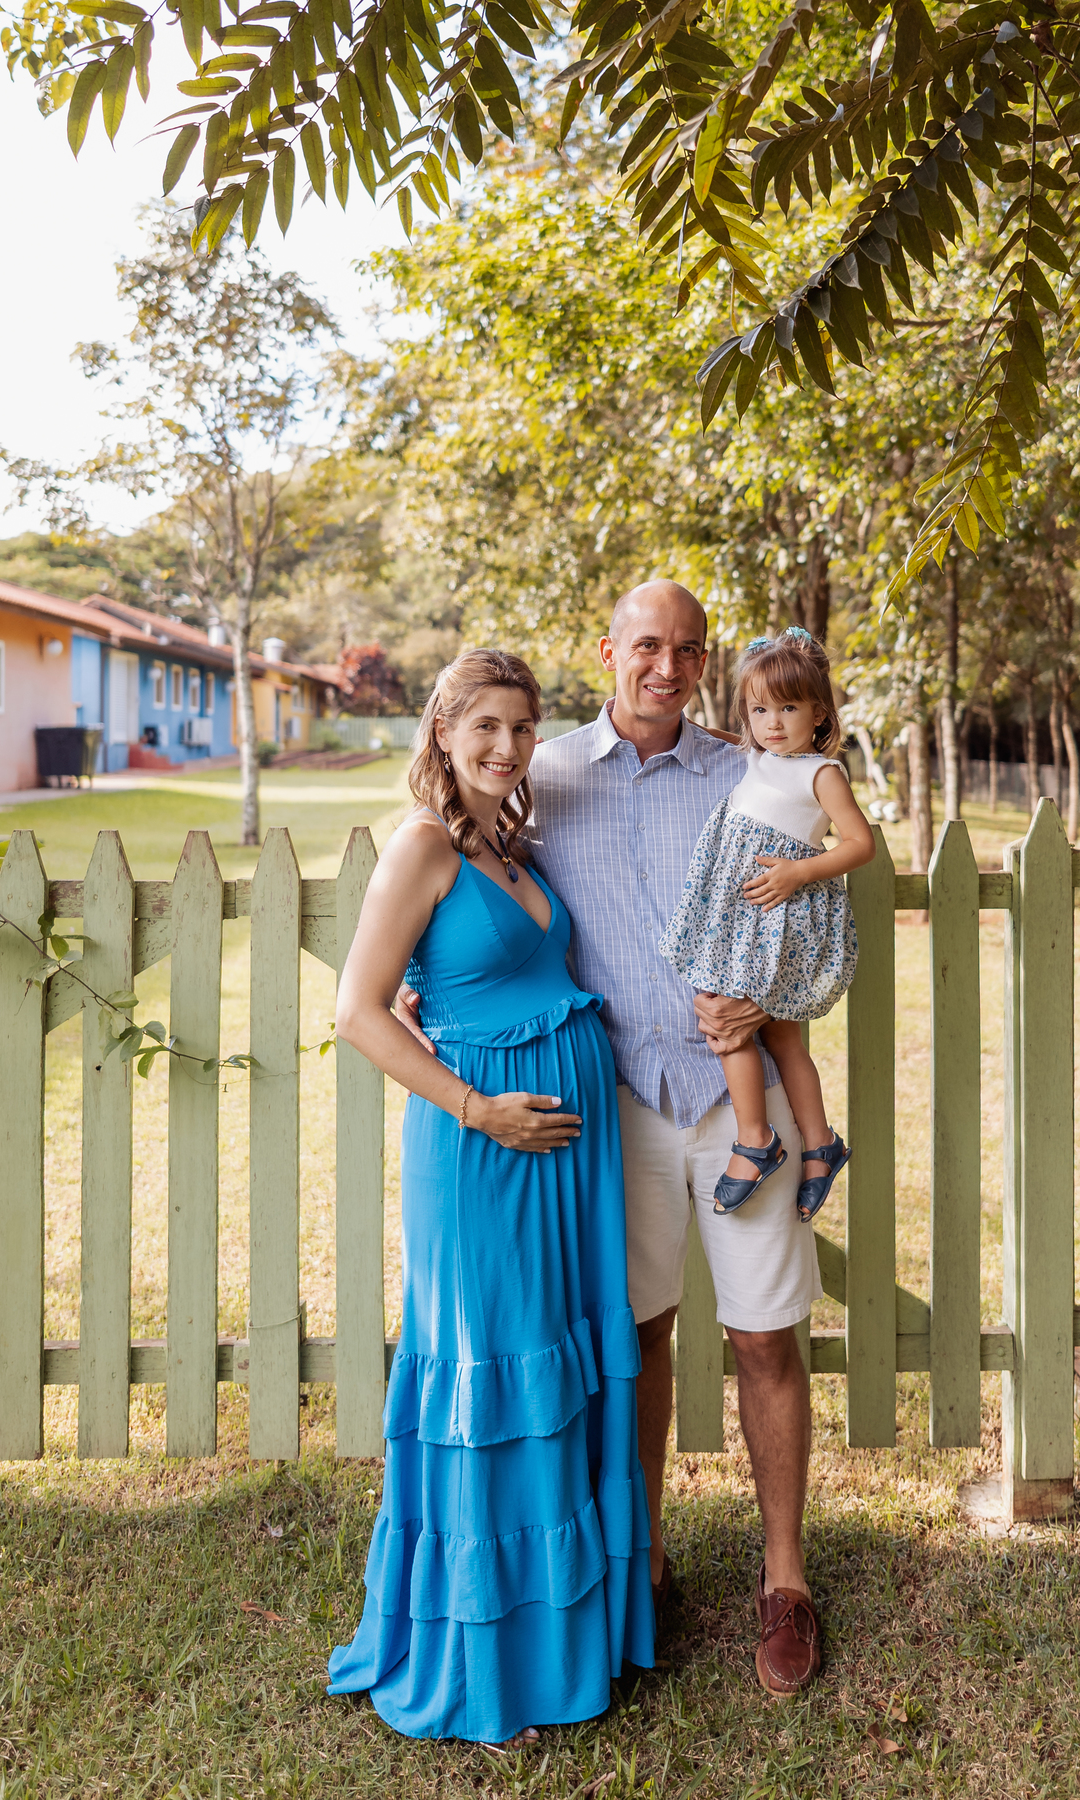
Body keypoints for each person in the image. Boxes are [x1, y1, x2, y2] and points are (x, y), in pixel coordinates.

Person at [326, 647, 655, 1744]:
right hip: (485, 1158)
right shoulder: (421, 846)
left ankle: (566, 1633)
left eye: (523, 727)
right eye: (487, 727)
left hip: (563, 1161)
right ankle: (484, 1650)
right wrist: (480, 1110)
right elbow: (359, 1013)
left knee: (554, 1374)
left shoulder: (506, 842)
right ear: (443, 731)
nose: (508, 746)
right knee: (490, 1374)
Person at [525, 581, 830, 1696]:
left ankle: (784, 1579)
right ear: (607, 649)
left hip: (732, 1099)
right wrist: (413, 979)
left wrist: (768, 999)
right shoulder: (546, 773)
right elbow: (465, 865)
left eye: (687, 649)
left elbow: (811, 910)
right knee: (640, 1338)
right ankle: (642, 1560)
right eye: (647, 646)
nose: (668, 666)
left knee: (764, 1339)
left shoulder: (746, 774)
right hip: (622, 1102)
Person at [658, 627, 874, 1220]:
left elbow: (859, 845)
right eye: (759, 709)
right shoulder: (755, 753)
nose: (773, 722)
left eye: (788, 708)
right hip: (742, 914)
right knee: (778, 1034)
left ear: (818, 714)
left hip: (775, 912)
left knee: (729, 1019)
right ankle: (820, 1144)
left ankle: (756, 1140)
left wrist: (800, 874)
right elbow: (717, 735)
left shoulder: (820, 773)